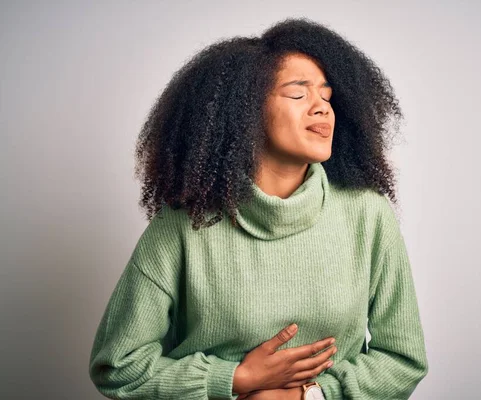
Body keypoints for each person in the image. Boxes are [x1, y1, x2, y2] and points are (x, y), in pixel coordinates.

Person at [88, 17, 429, 400]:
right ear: (245, 111)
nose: (322, 109)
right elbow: (118, 365)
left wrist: (309, 396)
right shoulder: (185, 223)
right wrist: (235, 380)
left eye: (327, 97)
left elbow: (403, 359)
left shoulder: (367, 213)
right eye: (299, 95)